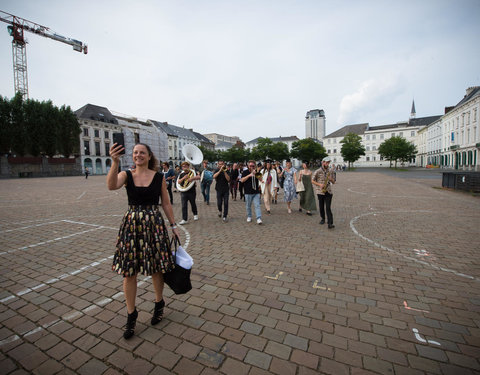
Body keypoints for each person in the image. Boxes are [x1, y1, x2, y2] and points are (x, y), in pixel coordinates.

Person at [107, 142, 180, 340]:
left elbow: (165, 202)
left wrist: (173, 226)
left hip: (154, 224)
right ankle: (131, 314)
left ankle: (159, 303)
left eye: (142, 153)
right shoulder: (126, 175)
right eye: (135, 152)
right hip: (131, 226)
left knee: (157, 268)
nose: (138, 155)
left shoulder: (159, 177)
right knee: (129, 272)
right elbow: (111, 185)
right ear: (132, 156)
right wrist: (114, 162)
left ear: (149, 156)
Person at [312, 156, 336, 229]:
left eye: (328, 162)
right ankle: (323, 218)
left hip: (328, 191)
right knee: (321, 206)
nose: (327, 164)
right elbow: (312, 180)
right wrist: (320, 185)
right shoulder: (317, 171)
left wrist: (331, 179)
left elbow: (334, 182)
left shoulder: (331, 171)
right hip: (320, 191)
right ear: (323, 162)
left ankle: (330, 223)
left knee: (328, 207)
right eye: (326, 162)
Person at [240, 160, 263, 224]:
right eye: (250, 166)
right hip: (248, 192)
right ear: (248, 166)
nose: (251, 167)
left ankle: (258, 218)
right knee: (248, 205)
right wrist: (249, 175)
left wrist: (256, 174)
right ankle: (249, 216)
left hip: (256, 192)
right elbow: (242, 180)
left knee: (257, 205)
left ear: (255, 166)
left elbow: (261, 180)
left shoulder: (257, 172)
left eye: (253, 166)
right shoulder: (245, 172)